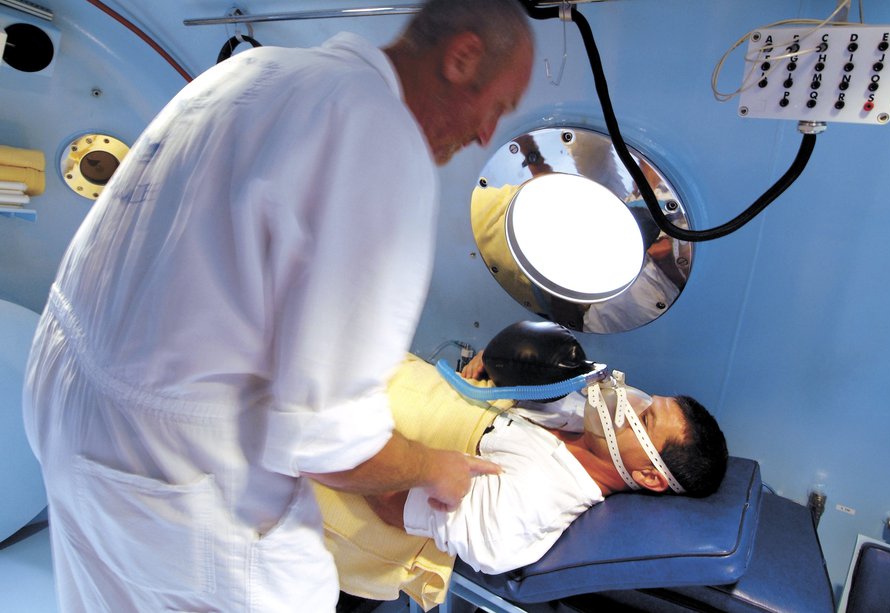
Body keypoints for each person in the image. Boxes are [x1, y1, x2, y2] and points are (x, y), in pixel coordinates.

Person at [21, 2, 534, 611]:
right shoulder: (378, 136)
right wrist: (433, 467)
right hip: (174, 468)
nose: (484, 136)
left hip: (67, 407)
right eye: (497, 109)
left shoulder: (250, 73)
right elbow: (330, 446)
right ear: (462, 57)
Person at [314, 321, 728, 609]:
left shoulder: (533, 506)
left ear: (649, 476)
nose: (628, 403)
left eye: (645, 418)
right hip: (365, 368)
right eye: (646, 400)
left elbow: (390, 499)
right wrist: (490, 367)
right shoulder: (572, 411)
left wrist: (323, 411)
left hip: (323, 427)